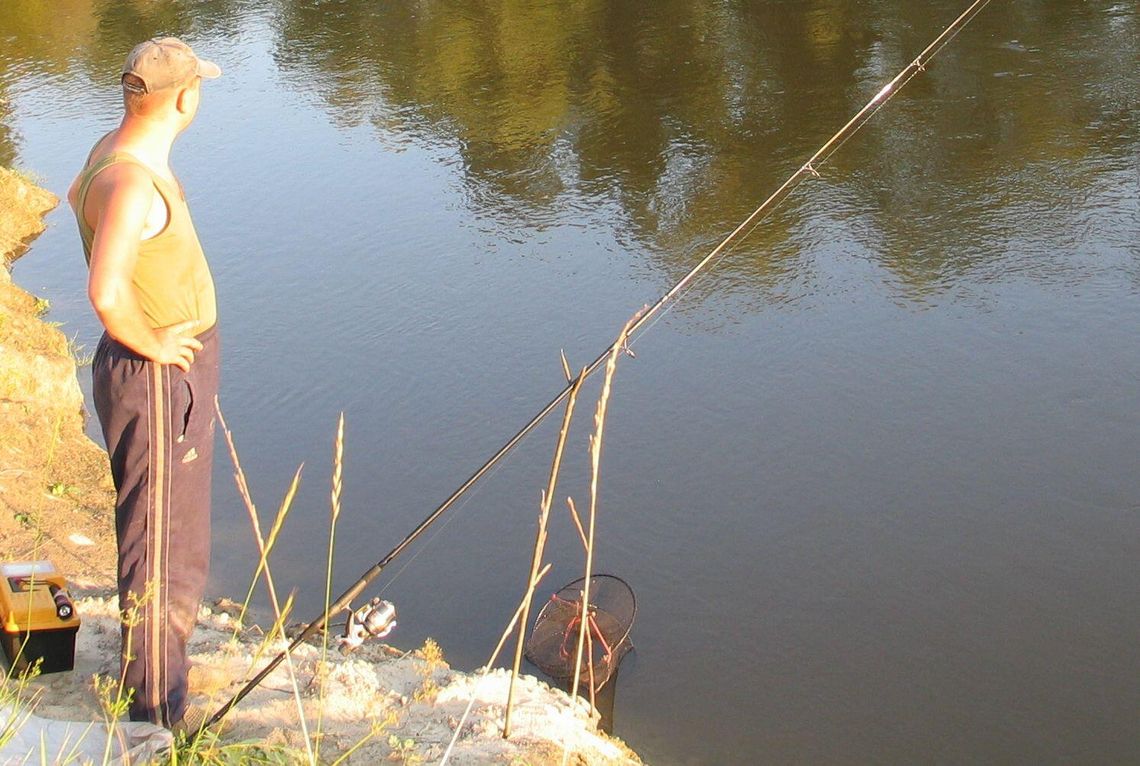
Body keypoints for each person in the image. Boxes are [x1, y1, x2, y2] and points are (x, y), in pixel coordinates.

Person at [68, 37, 221, 731]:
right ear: (183, 98)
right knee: (165, 539)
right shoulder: (130, 181)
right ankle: (157, 713)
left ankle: (151, 679)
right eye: (198, 89)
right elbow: (105, 291)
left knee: (159, 526)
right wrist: (158, 342)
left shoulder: (116, 148)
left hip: (148, 369)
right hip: (156, 377)